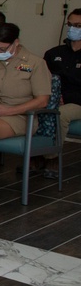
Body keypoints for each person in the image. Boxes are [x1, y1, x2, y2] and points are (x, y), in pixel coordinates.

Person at [0, 23, 51, 160]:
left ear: (16, 42)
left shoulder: (35, 63)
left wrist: (8, 111)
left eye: (2, 49)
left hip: (20, 116)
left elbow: (42, 101)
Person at [42, 9, 81, 177]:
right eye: (70, 25)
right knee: (37, 109)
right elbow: (42, 79)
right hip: (54, 98)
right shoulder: (54, 53)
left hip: (77, 102)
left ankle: (51, 158)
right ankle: (36, 154)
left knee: (60, 114)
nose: (73, 29)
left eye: (78, 26)